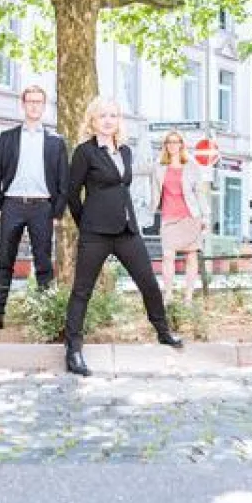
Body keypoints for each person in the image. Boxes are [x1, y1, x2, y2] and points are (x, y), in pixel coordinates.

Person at [62, 97, 183, 376]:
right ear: (93, 120)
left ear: (119, 121)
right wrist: (86, 223)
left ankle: (163, 331)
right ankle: (73, 351)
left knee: (149, 283)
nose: (108, 120)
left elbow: (122, 188)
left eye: (113, 115)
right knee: (82, 291)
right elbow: (72, 194)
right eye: (102, 115)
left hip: (127, 231)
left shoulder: (126, 152)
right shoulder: (84, 152)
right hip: (96, 233)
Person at [0, 85, 69, 331]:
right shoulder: (7, 137)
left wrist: (57, 212)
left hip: (42, 207)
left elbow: (64, 180)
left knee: (43, 263)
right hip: (12, 205)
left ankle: (45, 316)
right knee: (4, 262)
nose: (34, 106)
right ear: (23, 104)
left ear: (44, 106)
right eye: (30, 101)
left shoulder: (56, 141)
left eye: (39, 102)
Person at [151, 130, 206, 305]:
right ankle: (168, 295)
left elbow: (199, 192)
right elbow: (154, 191)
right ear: (165, 145)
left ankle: (188, 296)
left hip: (190, 216)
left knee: (191, 255)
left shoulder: (191, 166)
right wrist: (148, 212)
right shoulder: (159, 166)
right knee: (168, 255)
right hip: (169, 217)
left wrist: (205, 216)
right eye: (169, 142)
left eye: (176, 142)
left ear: (182, 144)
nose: (173, 145)